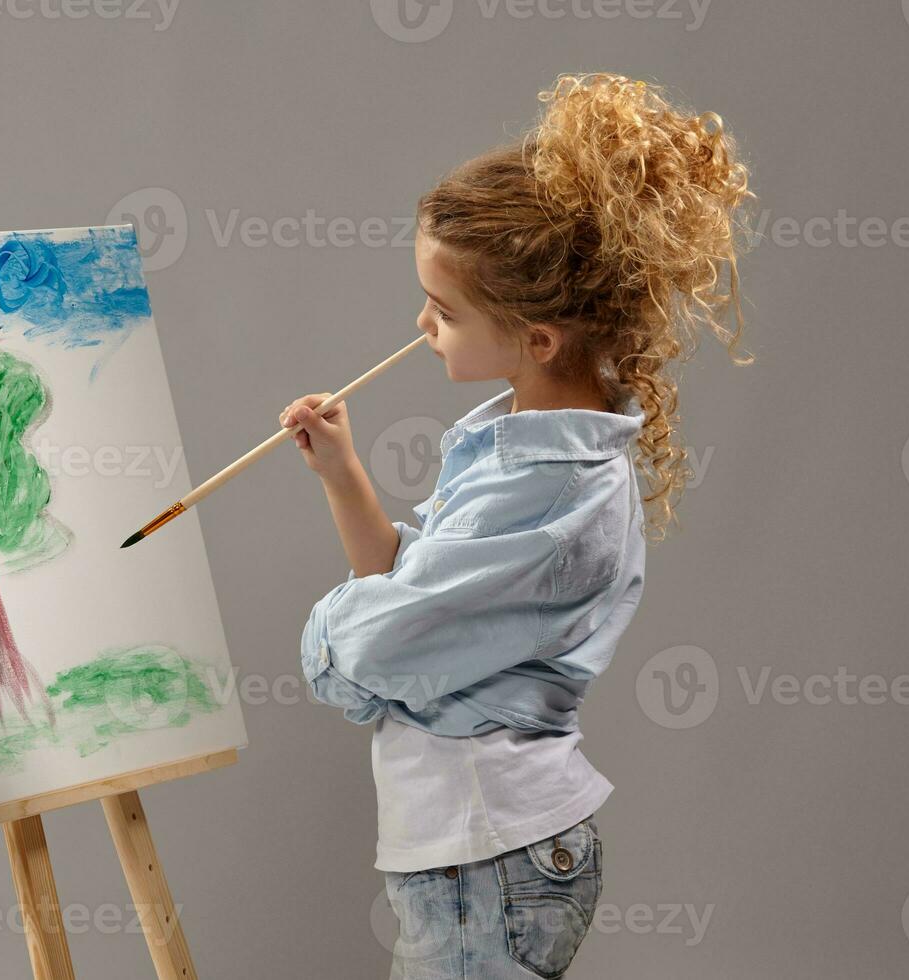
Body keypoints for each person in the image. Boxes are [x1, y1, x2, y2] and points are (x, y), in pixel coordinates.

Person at [281, 73, 752, 979]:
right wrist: (345, 479)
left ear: (538, 338)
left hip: (486, 856)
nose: (423, 325)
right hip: (477, 853)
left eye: (445, 311)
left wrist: (330, 641)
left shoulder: (549, 490)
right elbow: (419, 597)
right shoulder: (521, 460)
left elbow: (379, 650)